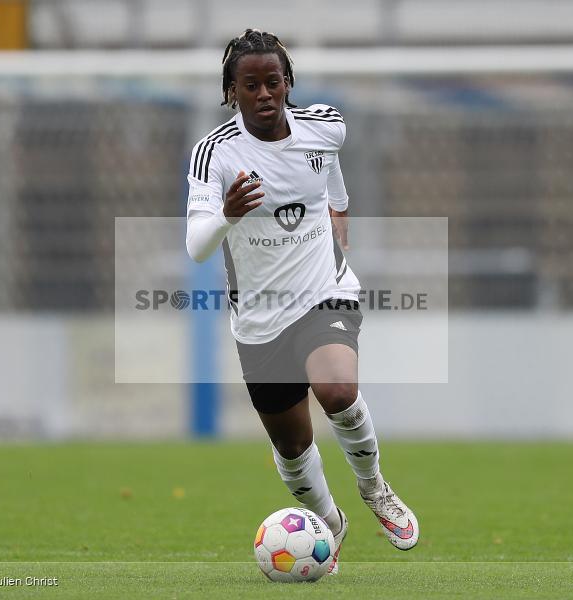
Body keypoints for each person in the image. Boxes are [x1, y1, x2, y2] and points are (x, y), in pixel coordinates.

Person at [185, 29, 419, 574]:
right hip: (259, 319)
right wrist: (228, 215)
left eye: (273, 81)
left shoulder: (325, 128)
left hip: (324, 292)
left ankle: (375, 488)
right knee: (293, 447)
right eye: (251, 85)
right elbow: (196, 246)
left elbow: (333, 185)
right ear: (231, 92)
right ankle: (329, 525)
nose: (264, 93)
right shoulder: (214, 154)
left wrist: (341, 231)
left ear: (288, 83)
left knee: (337, 388)